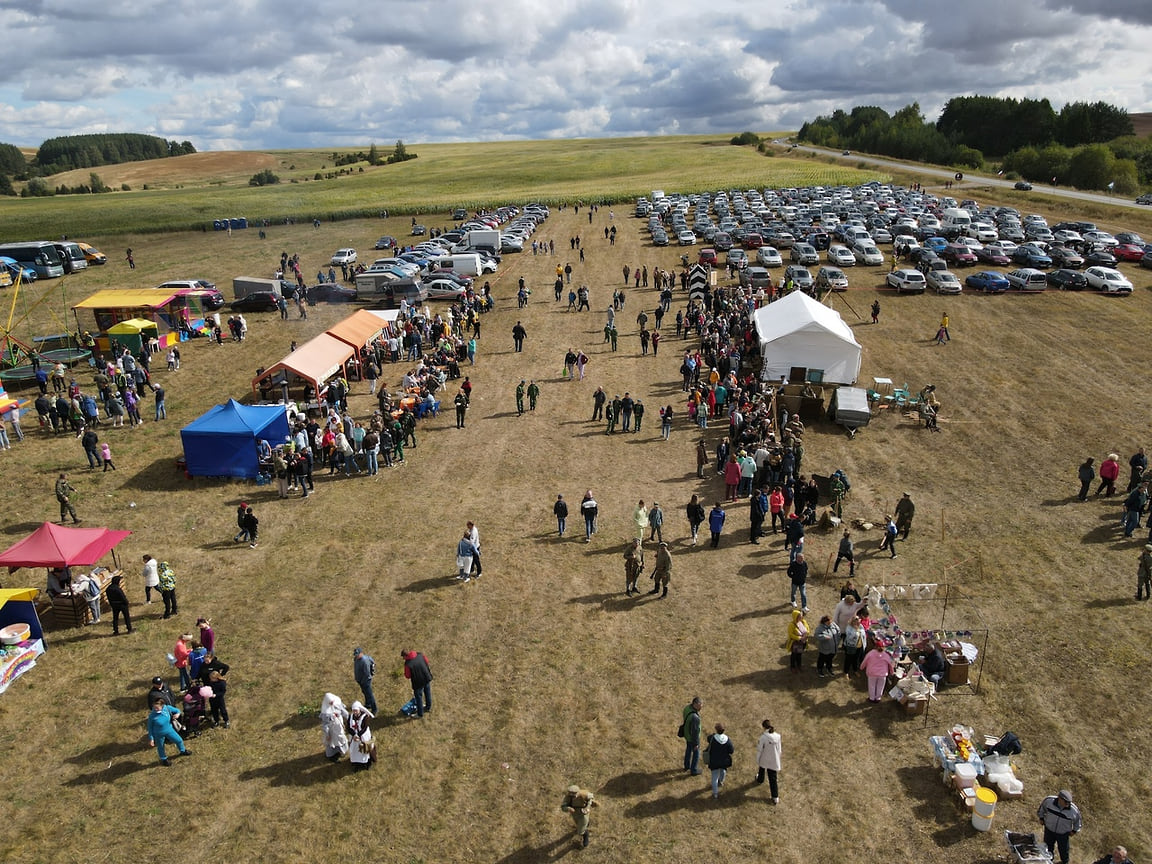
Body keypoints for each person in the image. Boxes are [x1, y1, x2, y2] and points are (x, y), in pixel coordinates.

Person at [1038, 790, 1082, 864]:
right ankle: (1048, 861)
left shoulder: (1074, 810)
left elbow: (1078, 822)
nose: (1067, 804)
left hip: (1063, 834)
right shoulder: (1049, 801)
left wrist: (1074, 831)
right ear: (1059, 799)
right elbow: (1042, 809)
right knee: (1048, 848)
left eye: (1069, 802)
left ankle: (1064, 862)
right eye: (1065, 802)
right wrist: (1041, 818)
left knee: (1064, 850)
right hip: (1049, 830)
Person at [146, 695, 189, 766]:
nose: (155, 709)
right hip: (158, 734)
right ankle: (164, 759)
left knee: (179, 740)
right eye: (154, 707)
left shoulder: (167, 708)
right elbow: (150, 728)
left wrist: (177, 714)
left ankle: (183, 751)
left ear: (162, 706)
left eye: (157, 707)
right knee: (161, 747)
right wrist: (151, 739)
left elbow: (177, 710)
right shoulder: (152, 716)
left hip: (169, 730)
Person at [755, 719, 781, 804]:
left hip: (765, 757)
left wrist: (757, 758)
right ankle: (775, 796)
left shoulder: (763, 737)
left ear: (764, 727)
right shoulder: (778, 736)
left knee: (762, 768)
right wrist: (778, 757)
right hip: (774, 759)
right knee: (773, 778)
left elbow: (759, 749)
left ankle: (760, 779)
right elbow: (779, 749)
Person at [200, 651, 230, 727]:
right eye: (205, 660)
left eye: (207, 660)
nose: (206, 662)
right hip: (212, 696)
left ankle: (226, 721)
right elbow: (200, 672)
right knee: (214, 709)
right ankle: (216, 721)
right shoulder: (210, 682)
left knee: (222, 710)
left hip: (219, 698)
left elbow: (223, 692)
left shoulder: (221, 683)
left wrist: (215, 695)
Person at [704, 723, 733, 799]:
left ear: (716, 730)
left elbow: (708, 738)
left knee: (714, 778)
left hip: (714, 762)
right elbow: (731, 750)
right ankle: (721, 781)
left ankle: (715, 794)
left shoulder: (712, 738)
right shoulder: (727, 739)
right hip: (724, 761)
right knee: (723, 771)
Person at [402, 648, 433, 718]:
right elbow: (427, 661)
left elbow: (407, 676)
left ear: (405, 656)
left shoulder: (408, 664)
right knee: (427, 692)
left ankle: (420, 714)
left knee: (418, 697)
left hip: (418, 682)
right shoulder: (420, 655)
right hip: (426, 677)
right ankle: (428, 707)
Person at [320, 692, 350, 762]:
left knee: (341, 738)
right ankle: (332, 755)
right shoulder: (325, 712)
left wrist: (349, 718)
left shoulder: (337, 702)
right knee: (332, 742)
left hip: (339, 726)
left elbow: (343, 711)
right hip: (332, 729)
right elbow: (325, 724)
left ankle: (342, 751)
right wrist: (327, 734)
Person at [347, 701, 374, 770]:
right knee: (355, 750)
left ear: (359, 710)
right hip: (354, 737)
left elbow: (365, 728)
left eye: (356, 710)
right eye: (353, 711)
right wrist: (354, 735)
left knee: (365, 749)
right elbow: (348, 727)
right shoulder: (350, 716)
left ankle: (367, 763)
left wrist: (358, 735)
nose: (355, 712)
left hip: (363, 736)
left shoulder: (365, 717)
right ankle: (357, 764)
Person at [352, 647, 378, 714]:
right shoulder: (357, 659)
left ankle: (374, 709)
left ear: (361, 653)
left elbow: (367, 673)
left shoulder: (364, 661)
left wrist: (362, 681)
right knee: (365, 692)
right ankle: (368, 704)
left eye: (357, 654)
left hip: (365, 681)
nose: (356, 656)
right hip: (360, 680)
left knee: (369, 694)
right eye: (355, 654)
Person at [682, 696, 703, 775]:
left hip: (687, 734)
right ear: (695, 704)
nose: (701, 707)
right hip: (692, 738)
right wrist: (696, 744)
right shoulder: (695, 718)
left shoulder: (687, 708)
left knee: (688, 750)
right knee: (696, 753)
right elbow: (695, 732)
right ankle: (693, 770)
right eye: (700, 705)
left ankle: (686, 766)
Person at [785, 609, 809, 673]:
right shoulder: (791, 625)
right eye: (799, 616)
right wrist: (799, 638)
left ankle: (799, 665)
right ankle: (792, 666)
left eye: (801, 615)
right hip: (796, 643)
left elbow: (807, 629)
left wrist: (806, 634)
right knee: (794, 655)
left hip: (803, 642)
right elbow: (791, 634)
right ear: (796, 617)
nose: (801, 617)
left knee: (799, 654)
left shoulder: (803, 622)